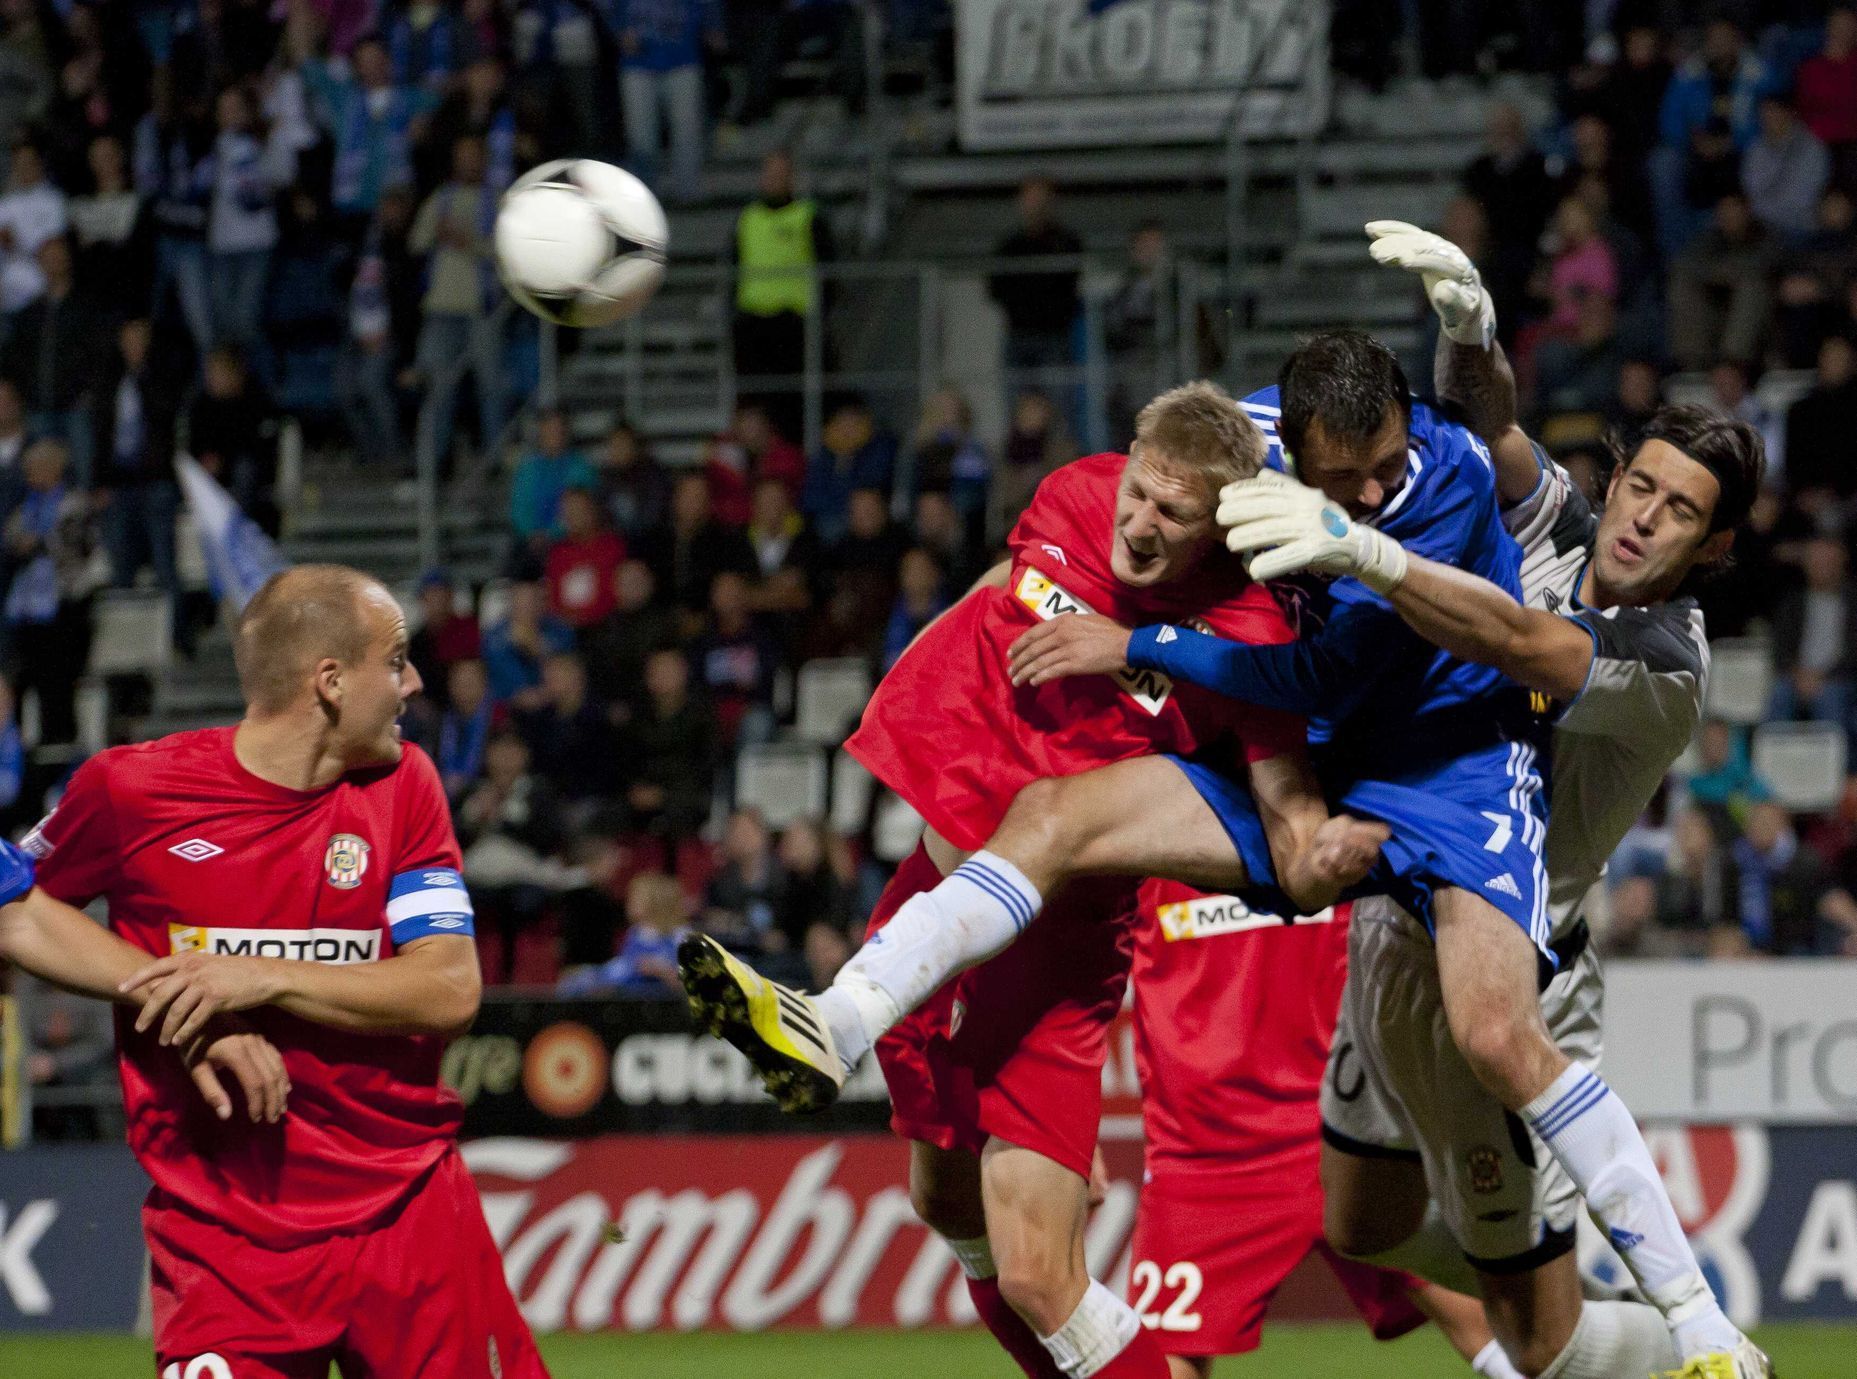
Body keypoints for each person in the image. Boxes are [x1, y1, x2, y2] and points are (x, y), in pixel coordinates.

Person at [683, 382, 1386, 1379]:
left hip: (1054, 942)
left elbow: (1285, 802)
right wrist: (910, 704)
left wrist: (1327, 853)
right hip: (931, 900)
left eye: (1172, 515)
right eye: (1140, 492)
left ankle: (829, 1024)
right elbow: (998, 588)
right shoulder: (1073, 493)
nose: (1139, 523)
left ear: (1222, 524)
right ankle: (839, 1023)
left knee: (1038, 1273)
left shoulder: (1248, 631)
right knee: (946, 1204)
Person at [1206, 222, 1771, 1378]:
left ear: (1709, 546)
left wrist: (1364, 550)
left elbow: (1516, 640)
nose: (1643, 517)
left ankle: (1689, 1345)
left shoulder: (1668, 660)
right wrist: (1471, 322)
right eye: (1641, 485)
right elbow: (1490, 422)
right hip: (1393, 919)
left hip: (1510, 952)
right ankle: (1557, 1274)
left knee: (1539, 1341)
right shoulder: (1562, 519)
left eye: (1677, 512)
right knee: (1356, 1224)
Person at [14, 563, 549, 1377]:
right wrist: (181, 998)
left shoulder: (404, 787)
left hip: (407, 1214)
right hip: (224, 1237)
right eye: (396, 658)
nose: (413, 681)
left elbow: (448, 989)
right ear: (329, 681)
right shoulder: (132, 789)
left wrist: (257, 976)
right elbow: (15, 906)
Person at [1125, 881, 1503, 1377]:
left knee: (1501, 1323)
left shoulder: (1342, 824)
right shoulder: (1143, 841)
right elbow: (1076, 984)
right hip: (1204, 1162)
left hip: (1350, 1136)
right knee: (1162, 1363)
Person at [732, 150, 831, 440]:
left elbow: (829, 268)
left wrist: (821, 312)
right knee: (754, 401)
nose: (774, 180)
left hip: (794, 322)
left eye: (780, 174)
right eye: (769, 174)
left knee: (793, 401)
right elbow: (734, 264)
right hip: (753, 323)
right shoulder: (748, 218)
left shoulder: (808, 215)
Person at [988, 176, 1082, 398]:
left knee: (1060, 403)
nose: (1035, 204)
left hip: (1055, 336)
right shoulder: (1009, 245)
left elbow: (1069, 285)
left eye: (1040, 197)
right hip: (1018, 335)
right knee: (1017, 405)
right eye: (1030, 197)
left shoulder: (1066, 242)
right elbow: (995, 288)